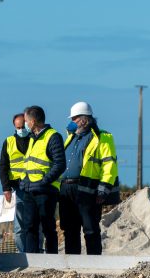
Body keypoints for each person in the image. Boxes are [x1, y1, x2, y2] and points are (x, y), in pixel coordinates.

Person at [59, 101, 119, 255]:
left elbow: (109, 165)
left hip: (87, 189)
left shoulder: (102, 137)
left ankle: (94, 263)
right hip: (67, 189)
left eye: (74, 118)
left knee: (90, 229)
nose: (72, 121)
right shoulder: (71, 137)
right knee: (70, 229)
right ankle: (72, 263)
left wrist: (103, 189)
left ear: (84, 119)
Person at [20, 105, 65, 253]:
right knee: (29, 227)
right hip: (29, 190)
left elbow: (60, 164)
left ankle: (51, 259)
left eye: (26, 120)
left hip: (45, 191)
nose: (25, 124)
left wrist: (44, 182)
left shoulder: (53, 137)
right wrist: (24, 182)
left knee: (48, 227)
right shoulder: (32, 138)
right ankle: (32, 259)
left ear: (33, 121)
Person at [0, 113, 31, 252]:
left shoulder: (35, 140)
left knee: (35, 226)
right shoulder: (9, 141)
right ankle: (22, 254)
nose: (21, 129)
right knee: (19, 227)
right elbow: (3, 166)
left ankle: (36, 254)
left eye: (23, 126)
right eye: (18, 127)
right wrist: (6, 188)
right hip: (18, 188)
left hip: (35, 186)